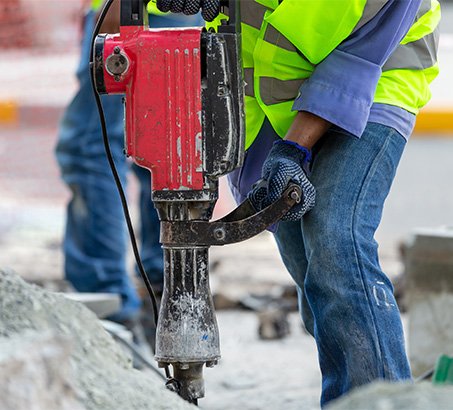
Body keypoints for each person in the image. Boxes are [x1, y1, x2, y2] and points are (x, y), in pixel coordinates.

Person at [157, 0, 440, 406]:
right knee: (314, 278)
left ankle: (379, 402)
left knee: (335, 239)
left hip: (379, 74)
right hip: (275, 93)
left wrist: (294, 149)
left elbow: (358, 58)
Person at [55, 0, 203, 332]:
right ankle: (166, 293)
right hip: (170, 14)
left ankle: (107, 302)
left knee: (91, 147)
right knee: (162, 147)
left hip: (142, 12)